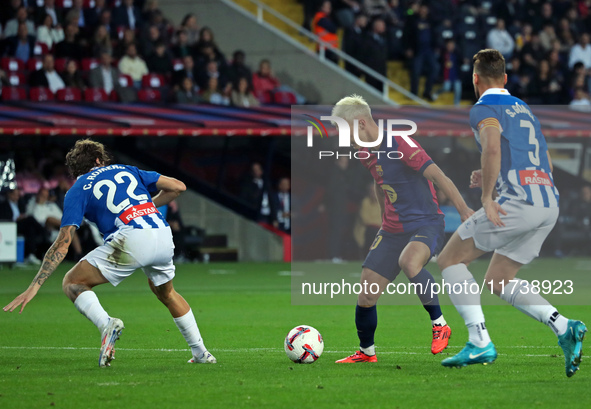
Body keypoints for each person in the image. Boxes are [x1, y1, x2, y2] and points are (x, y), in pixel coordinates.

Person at [436, 49, 586, 377]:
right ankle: (564, 327)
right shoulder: (522, 107)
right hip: (547, 202)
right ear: (505, 78)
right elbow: (521, 153)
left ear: (475, 79)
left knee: (449, 260)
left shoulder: (484, 108)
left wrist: (487, 197)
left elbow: (491, 146)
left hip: (518, 203)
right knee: (498, 280)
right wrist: (489, 176)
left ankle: (479, 341)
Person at [3, 139, 216, 367]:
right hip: (162, 235)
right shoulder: (128, 170)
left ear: (77, 169)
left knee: (73, 282)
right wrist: (143, 208)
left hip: (131, 239)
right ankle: (201, 352)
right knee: (167, 293)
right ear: (98, 159)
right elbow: (178, 187)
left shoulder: (78, 189)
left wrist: (34, 286)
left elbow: (63, 242)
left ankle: (107, 324)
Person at [331, 94, 474, 363]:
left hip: (426, 223)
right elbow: (378, 179)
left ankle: (440, 324)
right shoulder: (364, 151)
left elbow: (439, 176)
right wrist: (383, 213)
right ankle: (366, 352)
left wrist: (464, 210)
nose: (344, 138)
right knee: (366, 293)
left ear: (361, 123)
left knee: (409, 261)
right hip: (393, 229)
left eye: (345, 129)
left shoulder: (400, 142)